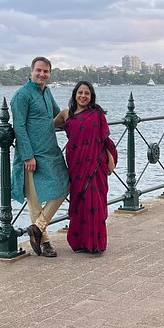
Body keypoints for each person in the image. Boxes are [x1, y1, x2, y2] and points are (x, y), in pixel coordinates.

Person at [10, 56, 68, 258]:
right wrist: (27, 156)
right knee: (34, 201)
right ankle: (45, 243)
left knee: (64, 186)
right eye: (39, 71)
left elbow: (57, 117)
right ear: (31, 71)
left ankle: (37, 227)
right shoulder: (22, 95)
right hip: (32, 155)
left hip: (50, 151)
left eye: (46, 71)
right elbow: (19, 126)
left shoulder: (46, 92)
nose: (42, 74)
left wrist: (78, 119)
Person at [54, 81, 115, 253]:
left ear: (91, 97)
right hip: (76, 163)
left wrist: (110, 159)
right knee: (79, 202)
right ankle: (80, 242)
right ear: (74, 95)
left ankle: (96, 243)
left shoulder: (97, 114)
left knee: (94, 201)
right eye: (80, 92)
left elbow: (105, 140)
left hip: (95, 164)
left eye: (87, 93)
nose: (83, 96)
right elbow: (48, 126)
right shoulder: (66, 114)